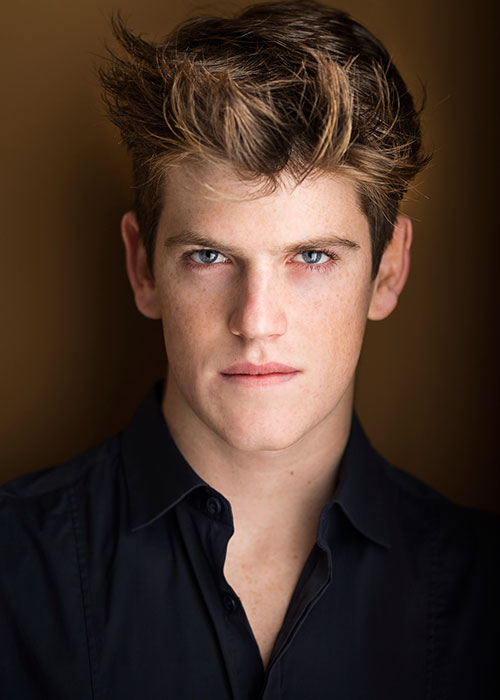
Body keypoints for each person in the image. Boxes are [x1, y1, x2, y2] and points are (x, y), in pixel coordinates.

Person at [0, 1, 498, 698]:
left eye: (313, 256)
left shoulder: (486, 595)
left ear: (387, 272)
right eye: (209, 256)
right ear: (143, 267)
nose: (256, 322)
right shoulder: (12, 572)